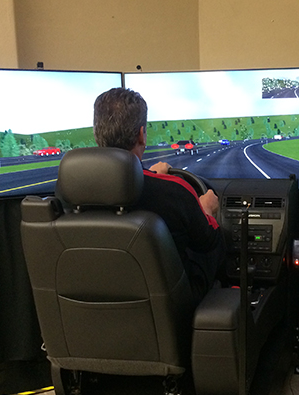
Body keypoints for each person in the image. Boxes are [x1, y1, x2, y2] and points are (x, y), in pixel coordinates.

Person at [93, 87, 225, 303]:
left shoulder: (71, 192)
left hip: (93, 305)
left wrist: (150, 176)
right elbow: (208, 242)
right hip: (167, 312)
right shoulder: (173, 190)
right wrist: (207, 209)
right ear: (141, 135)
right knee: (213, 244)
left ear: (96, 134)